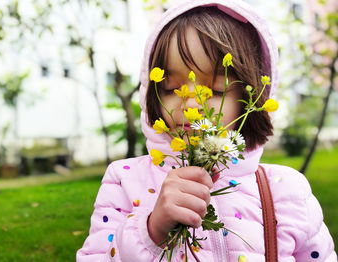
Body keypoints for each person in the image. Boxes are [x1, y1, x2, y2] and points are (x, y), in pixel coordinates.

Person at [77, 0, 337, 261]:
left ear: (252, 98)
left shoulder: (286, 190)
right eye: (169, 88)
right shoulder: (125, 181)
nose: (191, 102)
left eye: (215, 90)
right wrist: (150, 231)